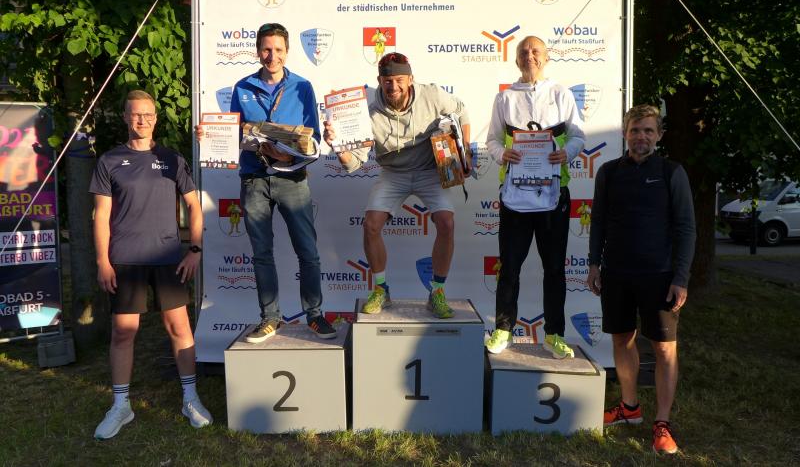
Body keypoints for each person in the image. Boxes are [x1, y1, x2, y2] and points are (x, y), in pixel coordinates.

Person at [198, 22, 336, 343]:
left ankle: (315, 315)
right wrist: (210, 136)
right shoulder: (242, 87)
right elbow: (232, 133)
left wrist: (289, 153)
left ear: (287, 51)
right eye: (266, 49)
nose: (272, 56)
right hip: (255, 179)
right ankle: (270, 318)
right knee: (261, 253)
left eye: (278, 50)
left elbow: (313, 137)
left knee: (308, 251)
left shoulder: (302, 87)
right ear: (257, 50)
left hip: (292, 179)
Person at [91, 90, 212, 440]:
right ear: (125, 117)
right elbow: (101, 216)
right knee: (123, 332)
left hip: (167, 258)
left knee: (179, 328)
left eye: (147, 114)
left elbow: (194, 206)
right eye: (135, 114)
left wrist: (194, 250)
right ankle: (120, 405)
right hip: (125, 259)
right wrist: (102, 261)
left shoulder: (171, 159)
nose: (141, 120)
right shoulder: (109, 160)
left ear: (155, 118)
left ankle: (190, 399)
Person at [323, 52, 471, 318]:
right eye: (388, 81)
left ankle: (437, 291)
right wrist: (338, 147)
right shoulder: (367, 114)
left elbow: (461, 110)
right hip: (393, 173)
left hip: (429, 171)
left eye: (400, 80)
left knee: (447, 223)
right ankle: (381, 290)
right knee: (371, 224)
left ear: (410, 79)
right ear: (379, 81)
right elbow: (353, 164)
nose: (394, 86)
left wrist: (464, 150)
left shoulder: (432, 95)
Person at [586, 104, 695, 454]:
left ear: (659, 135)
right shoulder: (608, 172)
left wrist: (681, 277)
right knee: (622, 339)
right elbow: (598, 222)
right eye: (635, 130)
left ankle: (662, 423)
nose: (641, 136)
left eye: (648, 130)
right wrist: (594, 264)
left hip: (660, 275)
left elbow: (686, 228)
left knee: (664, 349)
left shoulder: (671, 172)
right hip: (616, 272)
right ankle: (629, 407)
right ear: (624, 133)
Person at [484, 35, 585, 358]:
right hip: (515, 196)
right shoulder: (505, 98)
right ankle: (503, 330)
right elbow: (492, 140)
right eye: (524, 51)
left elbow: (578, 136)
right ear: (516, 59)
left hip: (553, 195)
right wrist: (502, 154)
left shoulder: (560, 94)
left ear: (546, 58)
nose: (530, 55)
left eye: (536, 51)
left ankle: (554, 334)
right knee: (509, 267)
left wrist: (567, 152)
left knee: (554, 268)